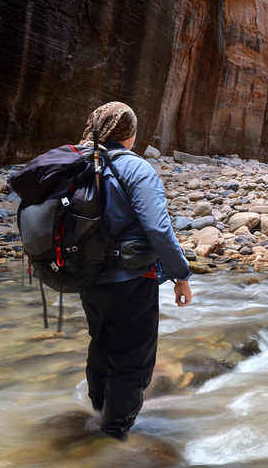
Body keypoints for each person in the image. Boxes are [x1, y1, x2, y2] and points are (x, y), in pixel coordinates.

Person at [78, 102, 192, 440]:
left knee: (101, 342)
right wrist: (180, 274)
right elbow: (158, 230)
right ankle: (112, 434)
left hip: (87, 276)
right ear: (128, 134)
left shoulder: (80, 162)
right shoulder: (135, 168)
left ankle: (99, 411)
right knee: (132, 359)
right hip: (132, 279)